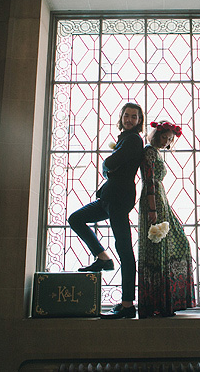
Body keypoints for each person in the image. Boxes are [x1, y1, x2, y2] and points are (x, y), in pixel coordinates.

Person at [68, 102, 144, 319]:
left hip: (118, 200)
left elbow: (111, 162)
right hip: (109, 199)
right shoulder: (124, 139)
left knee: (125, 251)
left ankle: (128, 305)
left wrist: (106, 165)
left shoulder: (132, 140)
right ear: (121, 117)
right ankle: (103, 258)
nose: (129, 119)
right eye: (126, 116)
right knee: (76, 219)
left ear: (139, 121)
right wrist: (107, 166)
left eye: (134, 117)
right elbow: (111, 165)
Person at [138, 120, 196, 318]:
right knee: (157, 248)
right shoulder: (149, 152)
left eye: (170, 139)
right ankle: (157, 303)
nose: (167, 142)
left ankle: (165, 301)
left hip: (159, 200)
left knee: (169, 244)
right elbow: (150, 180)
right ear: (156, 135)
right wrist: (152, 209)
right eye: (164, 137)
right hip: (153, 200)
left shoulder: (155, 152)